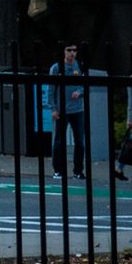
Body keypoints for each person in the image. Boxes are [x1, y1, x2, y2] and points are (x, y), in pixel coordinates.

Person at [42, 41, 91, 176]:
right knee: (59, 141)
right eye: (69, 50)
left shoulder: (79, 66)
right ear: (63, 52)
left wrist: (80, 92)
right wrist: (52, 108)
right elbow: (51, 90)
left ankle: (78, 171)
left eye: (74, 50)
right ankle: (58, 170)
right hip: (61, 109)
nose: (72, 53)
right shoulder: (56, 68)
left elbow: (85, 84)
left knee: (80, 142)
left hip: (78, 109)